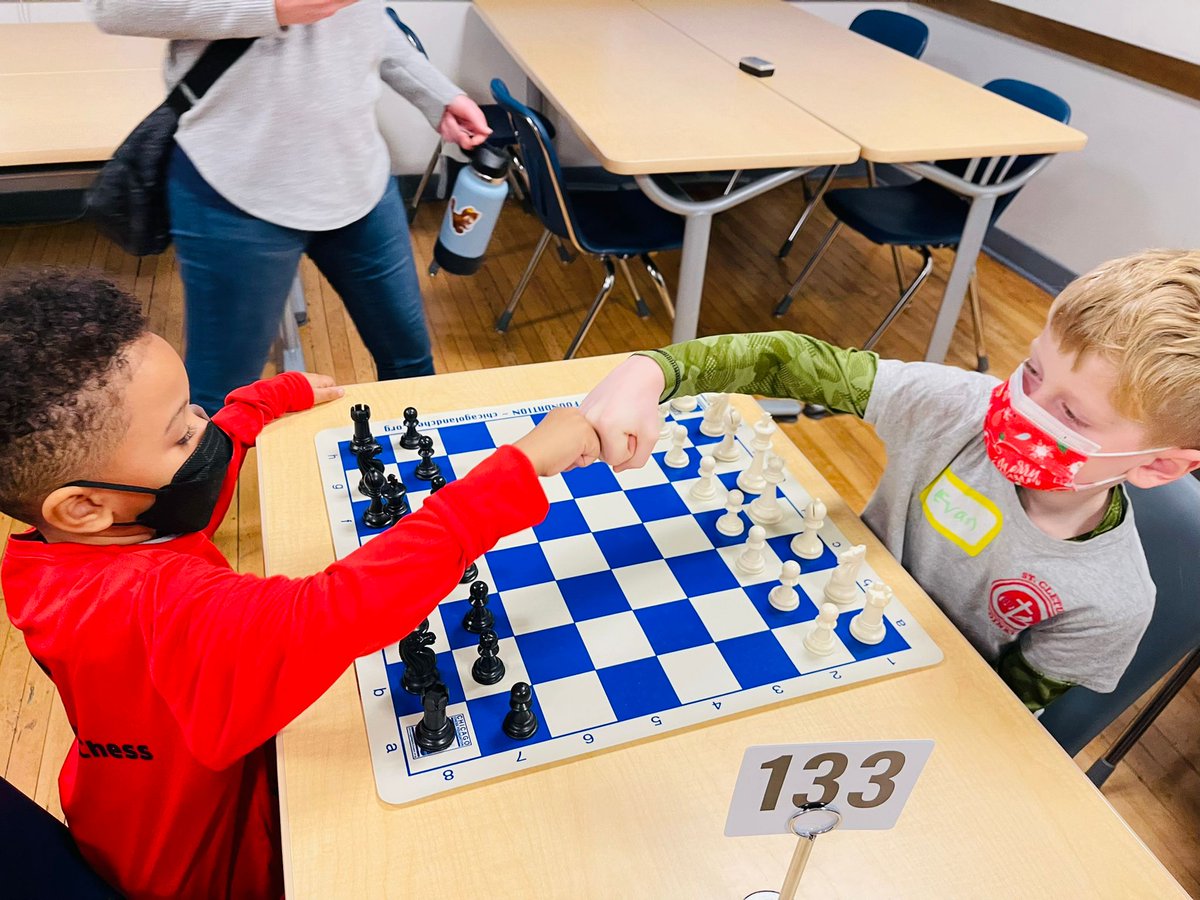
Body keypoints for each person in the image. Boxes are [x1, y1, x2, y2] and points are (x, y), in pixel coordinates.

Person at [0, 269, 599, 899]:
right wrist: (521, 467)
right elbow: (342, 608)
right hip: (206, 866)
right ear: (82, 506)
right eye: (181, 433)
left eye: (193, 409)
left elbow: (176, 509)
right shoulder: (154, 610)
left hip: (126, 808)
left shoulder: (61, 555)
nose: (201, 428)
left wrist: (254, 408)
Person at [581, 249, 1200, 710]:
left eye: (1070, 413)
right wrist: (651, 372)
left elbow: (1011, 715)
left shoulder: (1112, 600)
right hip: (811, 620)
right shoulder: (960, 405)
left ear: (1156, 465)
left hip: (912, 703)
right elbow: (791, 362)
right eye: (1033, 371)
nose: (1024, 407)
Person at [85, 0, 494, 413]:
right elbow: (113, 8)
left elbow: (365, 19)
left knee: (411, 363)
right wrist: (270, 7)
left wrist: (435, 94)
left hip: (358, 178)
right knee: (220, 396)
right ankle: (212, 480)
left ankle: (423, 473)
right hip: (233, 188)